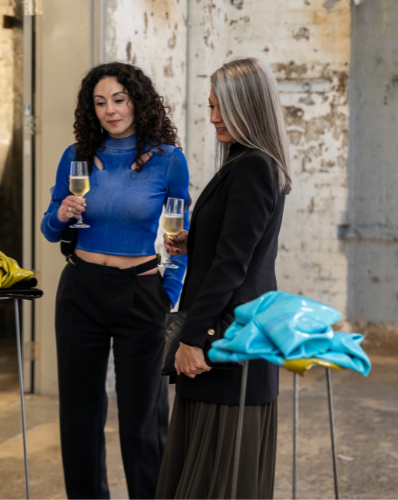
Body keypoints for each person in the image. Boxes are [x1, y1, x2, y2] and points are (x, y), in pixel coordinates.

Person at [41, 62, 190, 499]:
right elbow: (50, 229)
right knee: (80, 415)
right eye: (100, 102)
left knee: (143, 419)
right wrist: (60, 213)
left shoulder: (168, 160)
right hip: (80, 290)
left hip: (140, 292)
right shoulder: (76, 156)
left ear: (137, 101)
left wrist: (168, 292)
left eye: (119, 100)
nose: (111, 110)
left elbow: (180, 238)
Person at [155, 57, 291, 499]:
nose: (213, 117)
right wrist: (196, 241)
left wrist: (192, 338)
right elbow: (239, 245)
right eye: (211, 106)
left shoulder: (253, 166)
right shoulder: (249, 161)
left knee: (220, 472)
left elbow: (233, 264)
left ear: (248, 107)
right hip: (233, 330)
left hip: (229, 335)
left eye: (221, 107)